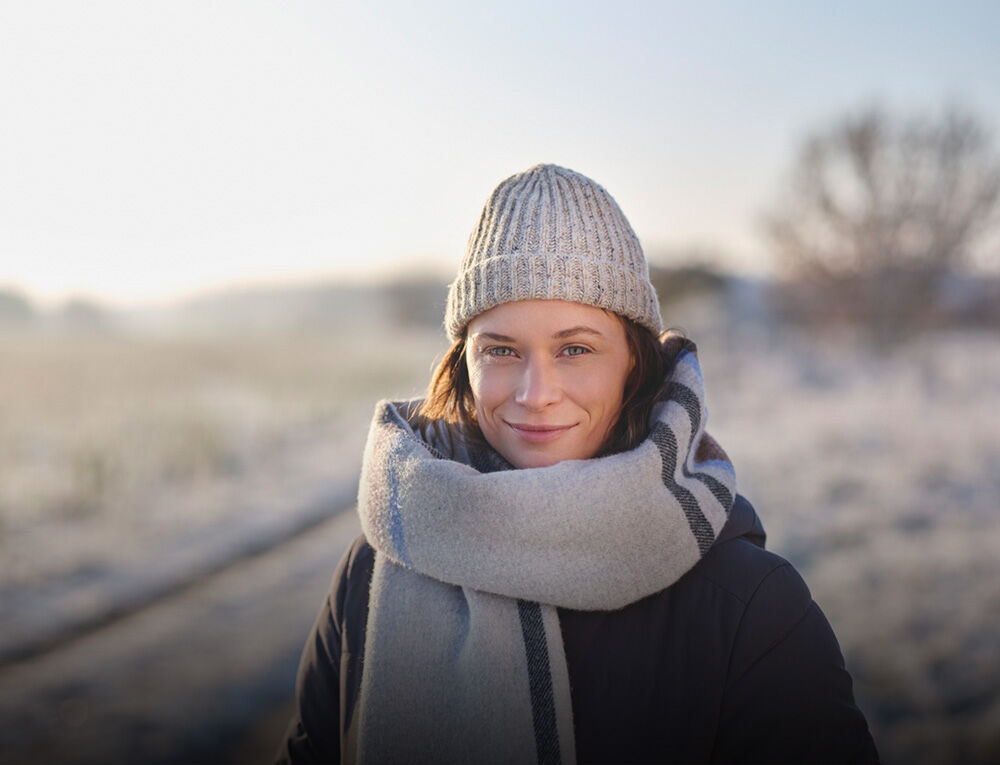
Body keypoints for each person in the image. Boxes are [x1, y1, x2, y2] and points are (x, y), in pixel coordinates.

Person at [276, 164, 879, 764]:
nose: (536, 392)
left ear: (635, 365)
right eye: (502, 350)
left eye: (575, 349)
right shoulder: (376, 570)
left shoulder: (751, 609)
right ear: (464, 364)